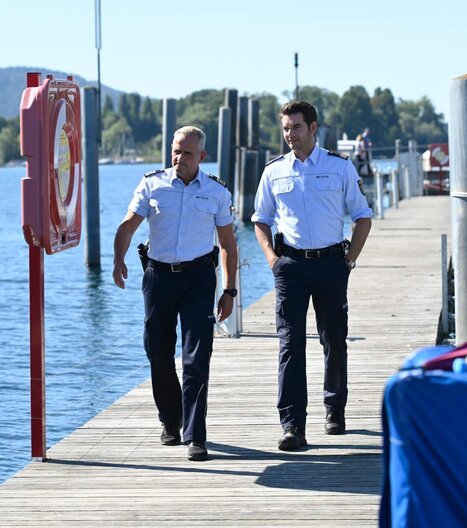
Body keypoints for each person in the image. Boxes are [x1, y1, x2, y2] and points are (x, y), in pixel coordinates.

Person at [251, 101, 373, 451]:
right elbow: (260, 220)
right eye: (286, 128)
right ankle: (292, 425)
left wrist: (349, 261)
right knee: (290, 343)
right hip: (290, 266)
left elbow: (362, 216)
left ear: (313, 127)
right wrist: (273, 260)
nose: (290, 134)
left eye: (296, 127)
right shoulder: (274, 171)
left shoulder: (339, 167)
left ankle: (335, 407)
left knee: (333, 339)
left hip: (331, 263)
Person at [113, 126, 238, 462]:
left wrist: (229, 290)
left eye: (186, 153)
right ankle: (171, 419)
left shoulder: (216, 192)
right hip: (159, 278)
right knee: (158, 352)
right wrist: (117, 258)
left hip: (198, 278)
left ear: (202, 156)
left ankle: (196, 434)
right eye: (175, 151)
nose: (179, 158)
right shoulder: (152, 184)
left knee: (197, 358)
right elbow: (128, 225)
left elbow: (227, 244)